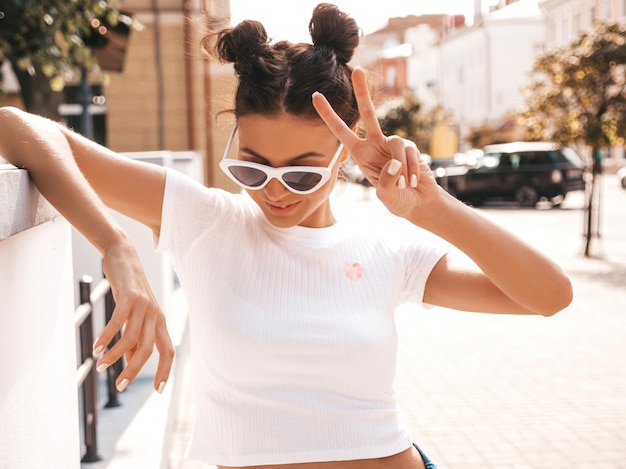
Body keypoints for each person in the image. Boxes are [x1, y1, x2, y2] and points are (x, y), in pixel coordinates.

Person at [0, 3, 572, 468]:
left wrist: (435, 208)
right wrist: (116, 247)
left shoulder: (386, 250)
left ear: (340, 161)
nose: (275, 192)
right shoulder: (206, 221)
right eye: (252, 168)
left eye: (302, 172)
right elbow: (17, 127)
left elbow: (550, 296)